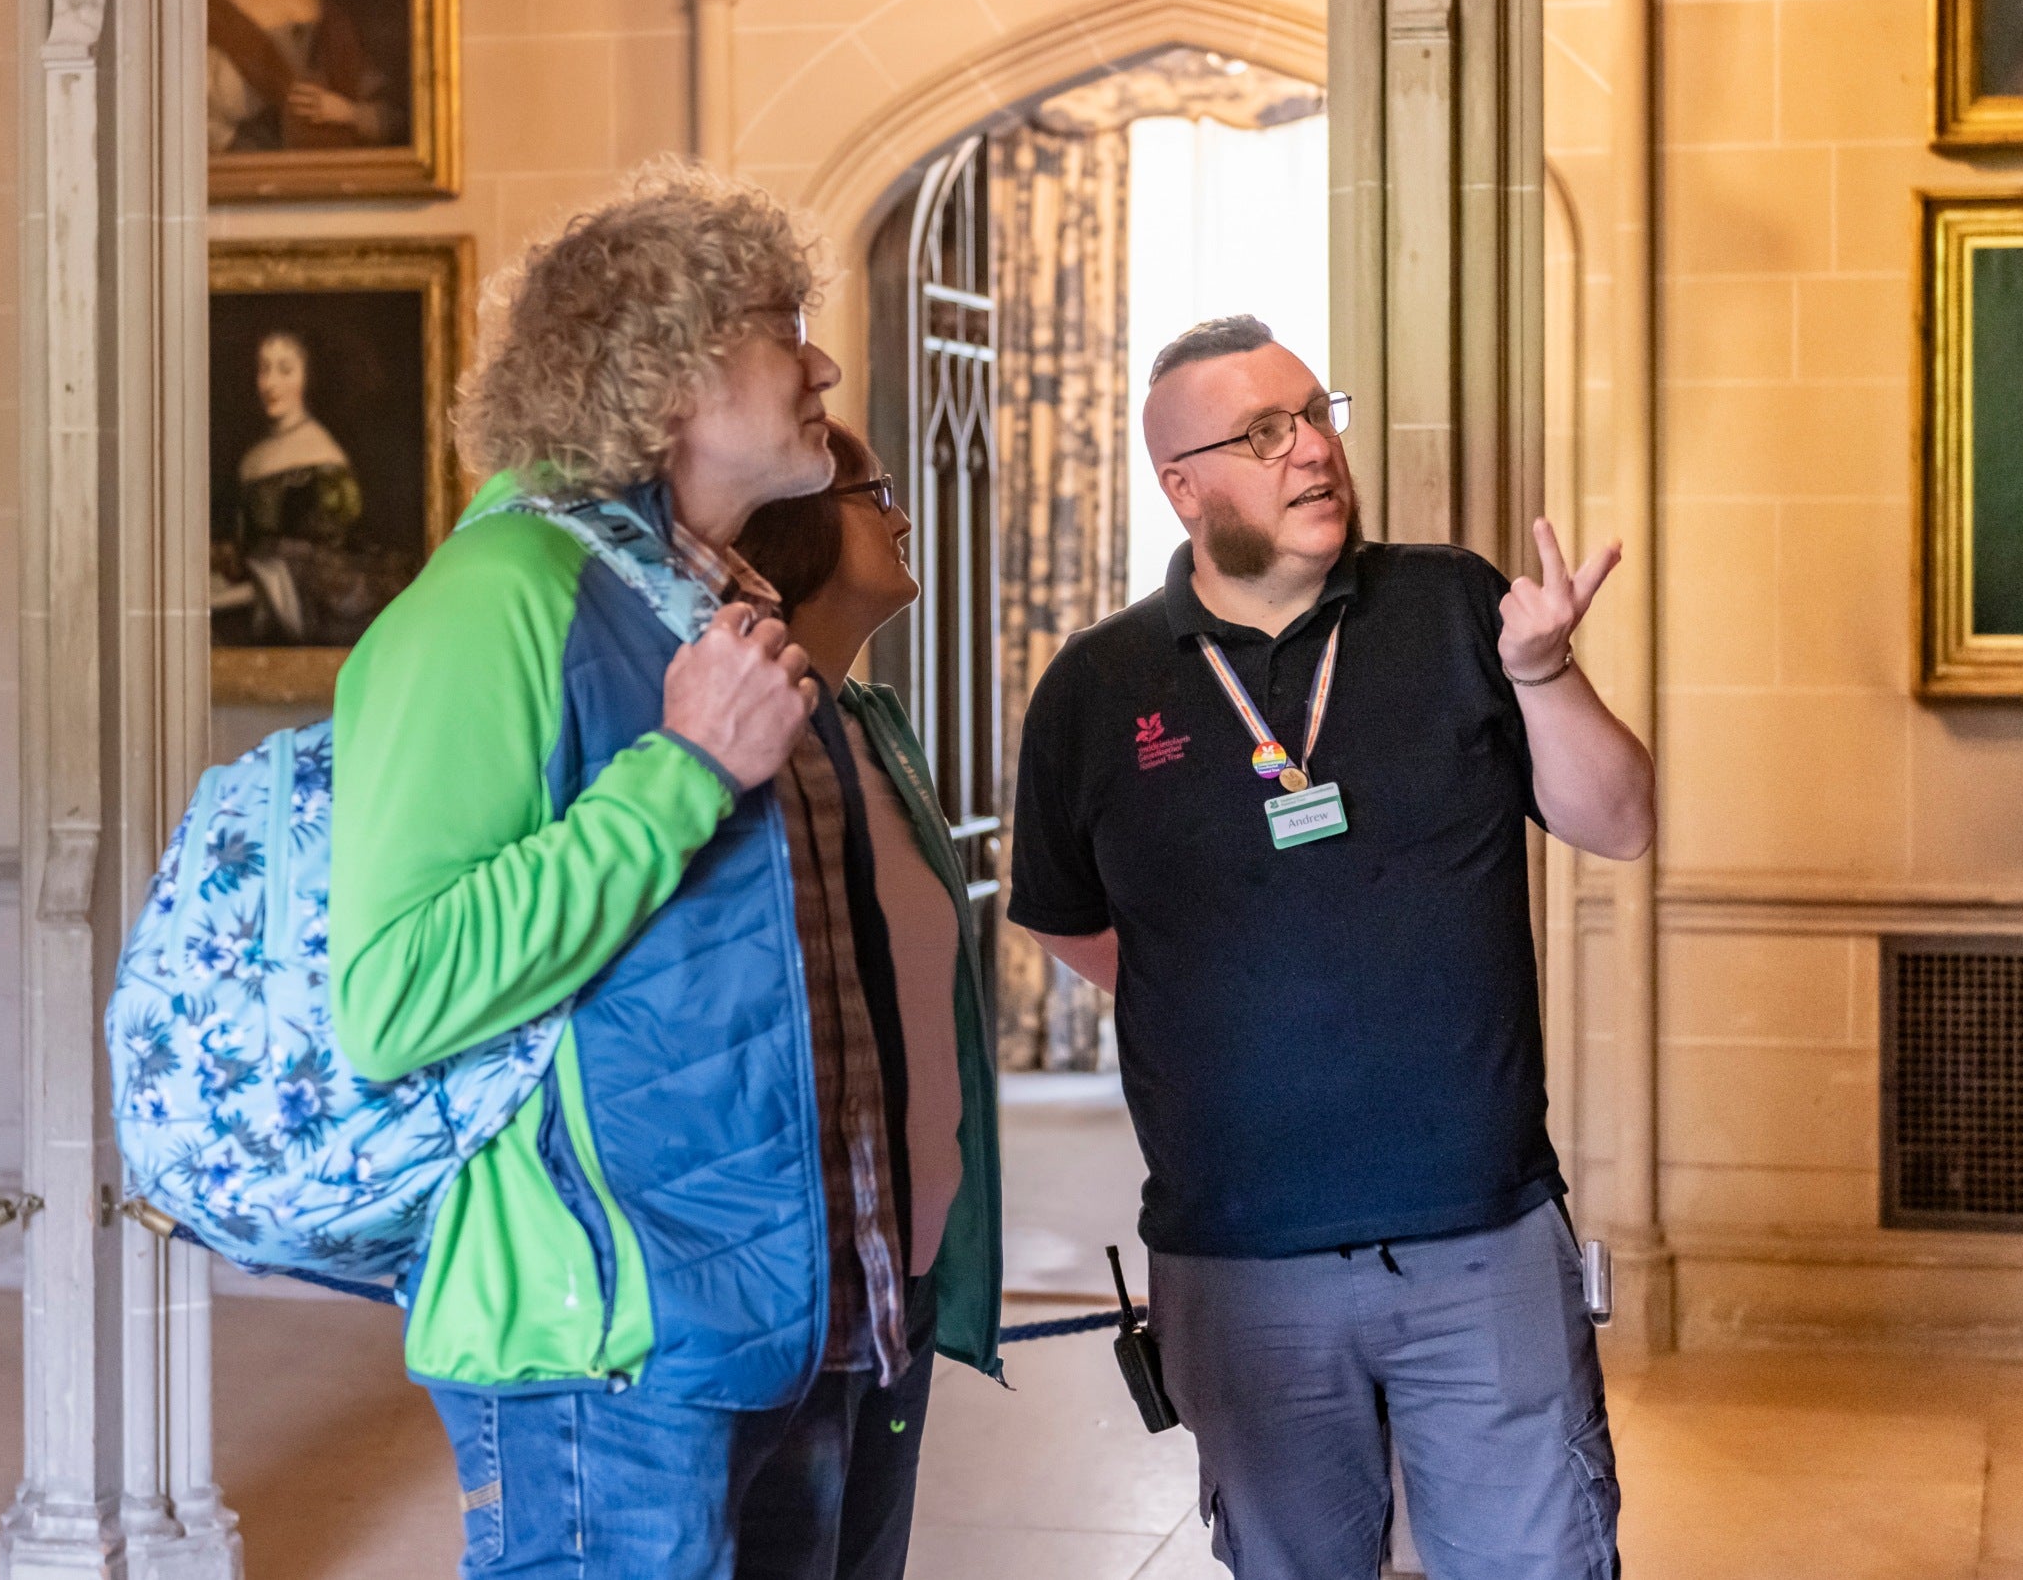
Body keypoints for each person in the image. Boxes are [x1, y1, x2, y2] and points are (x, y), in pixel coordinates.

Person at [328, 164, 996, 1580]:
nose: (821, 361)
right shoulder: (493, 600)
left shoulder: (714, 597)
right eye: (781, 325)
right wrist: (681, 774)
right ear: (665, 370)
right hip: (609, 1357)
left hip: (804, 1325)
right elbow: (396, 991)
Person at [1006, 315, 1656, 1580]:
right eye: (1264, 432)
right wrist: (1213, 1000)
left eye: (1314, 413)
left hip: (1482, 1233)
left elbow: (1620, 820)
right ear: (1182, 485)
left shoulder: (1456, 605)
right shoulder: (1096, 686)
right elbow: (1061, 911)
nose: (1311, 448)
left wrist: (1546, 667)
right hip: (1240, 1259)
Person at [722, 419, 1007, 1579]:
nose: (899, 511)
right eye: (872, 489)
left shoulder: (879, 733)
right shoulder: (739, 746)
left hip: (906, 1266)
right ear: (794, 523)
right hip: (789, 1281)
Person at [213, 328, 397, 645]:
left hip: (312, 603)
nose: (271, 383)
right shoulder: (251, 459)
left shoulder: (324, 460)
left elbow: (325, 565)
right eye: (264, 369)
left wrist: (251, 585)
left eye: (285, 370)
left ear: (307, 378)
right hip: (257, 592)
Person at [208, 0, 400, 153]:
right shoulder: (220, 5)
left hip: (332, 160)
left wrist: (351, 113)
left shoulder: (326, 6)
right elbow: (202, 119)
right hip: (258, 164)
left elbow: (394, 118)